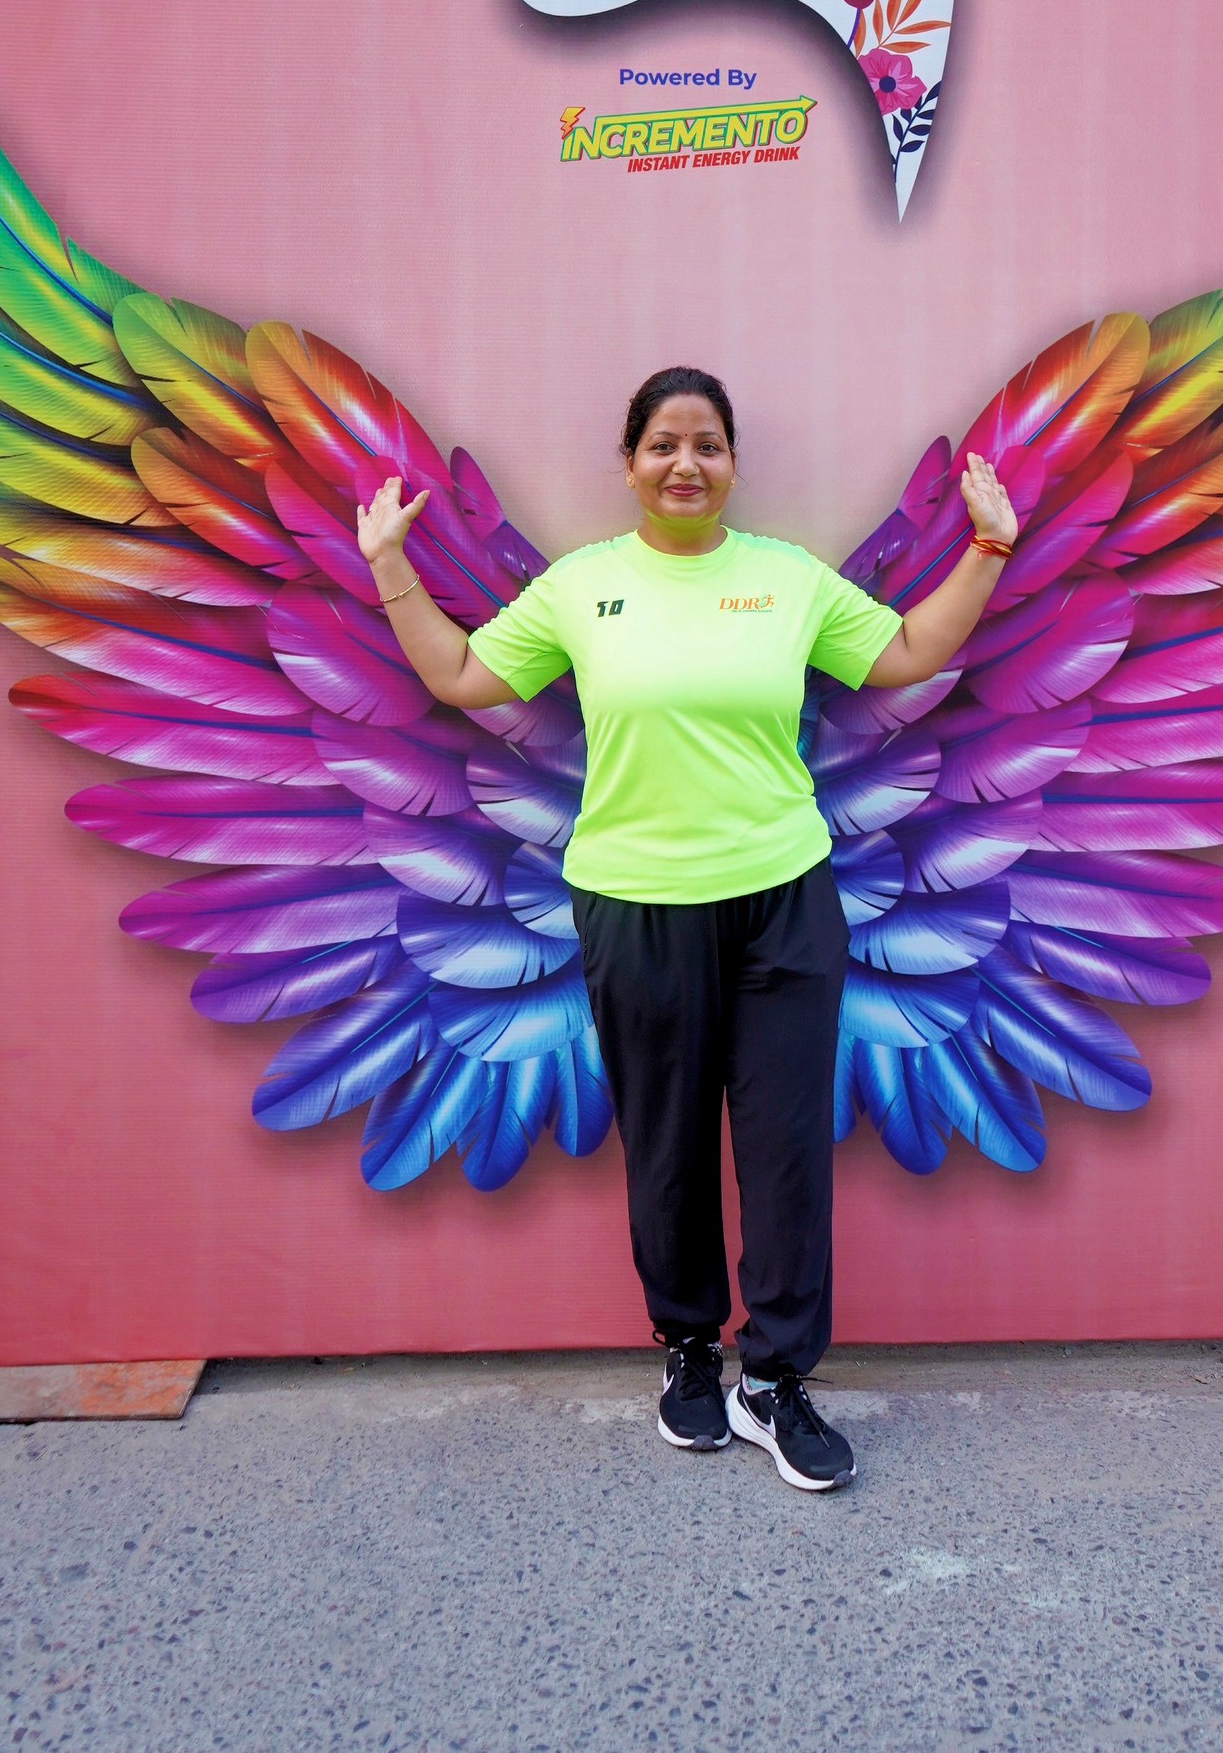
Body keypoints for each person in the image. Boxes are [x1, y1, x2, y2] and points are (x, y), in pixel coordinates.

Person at [357, 365, 1017, 1494]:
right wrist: (388, 566)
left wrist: (989, 548)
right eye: (662, 444)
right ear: (628, 465)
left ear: (732, 464)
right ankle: (688, 1350)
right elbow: (464, 674)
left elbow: (904, 654)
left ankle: (778, 1376)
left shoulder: (784, 579)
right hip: (634, 901)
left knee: (784, 1145)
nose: (684, 464)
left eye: (706, 444)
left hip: (782, 900)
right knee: (665, 1142)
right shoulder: (581, 586)